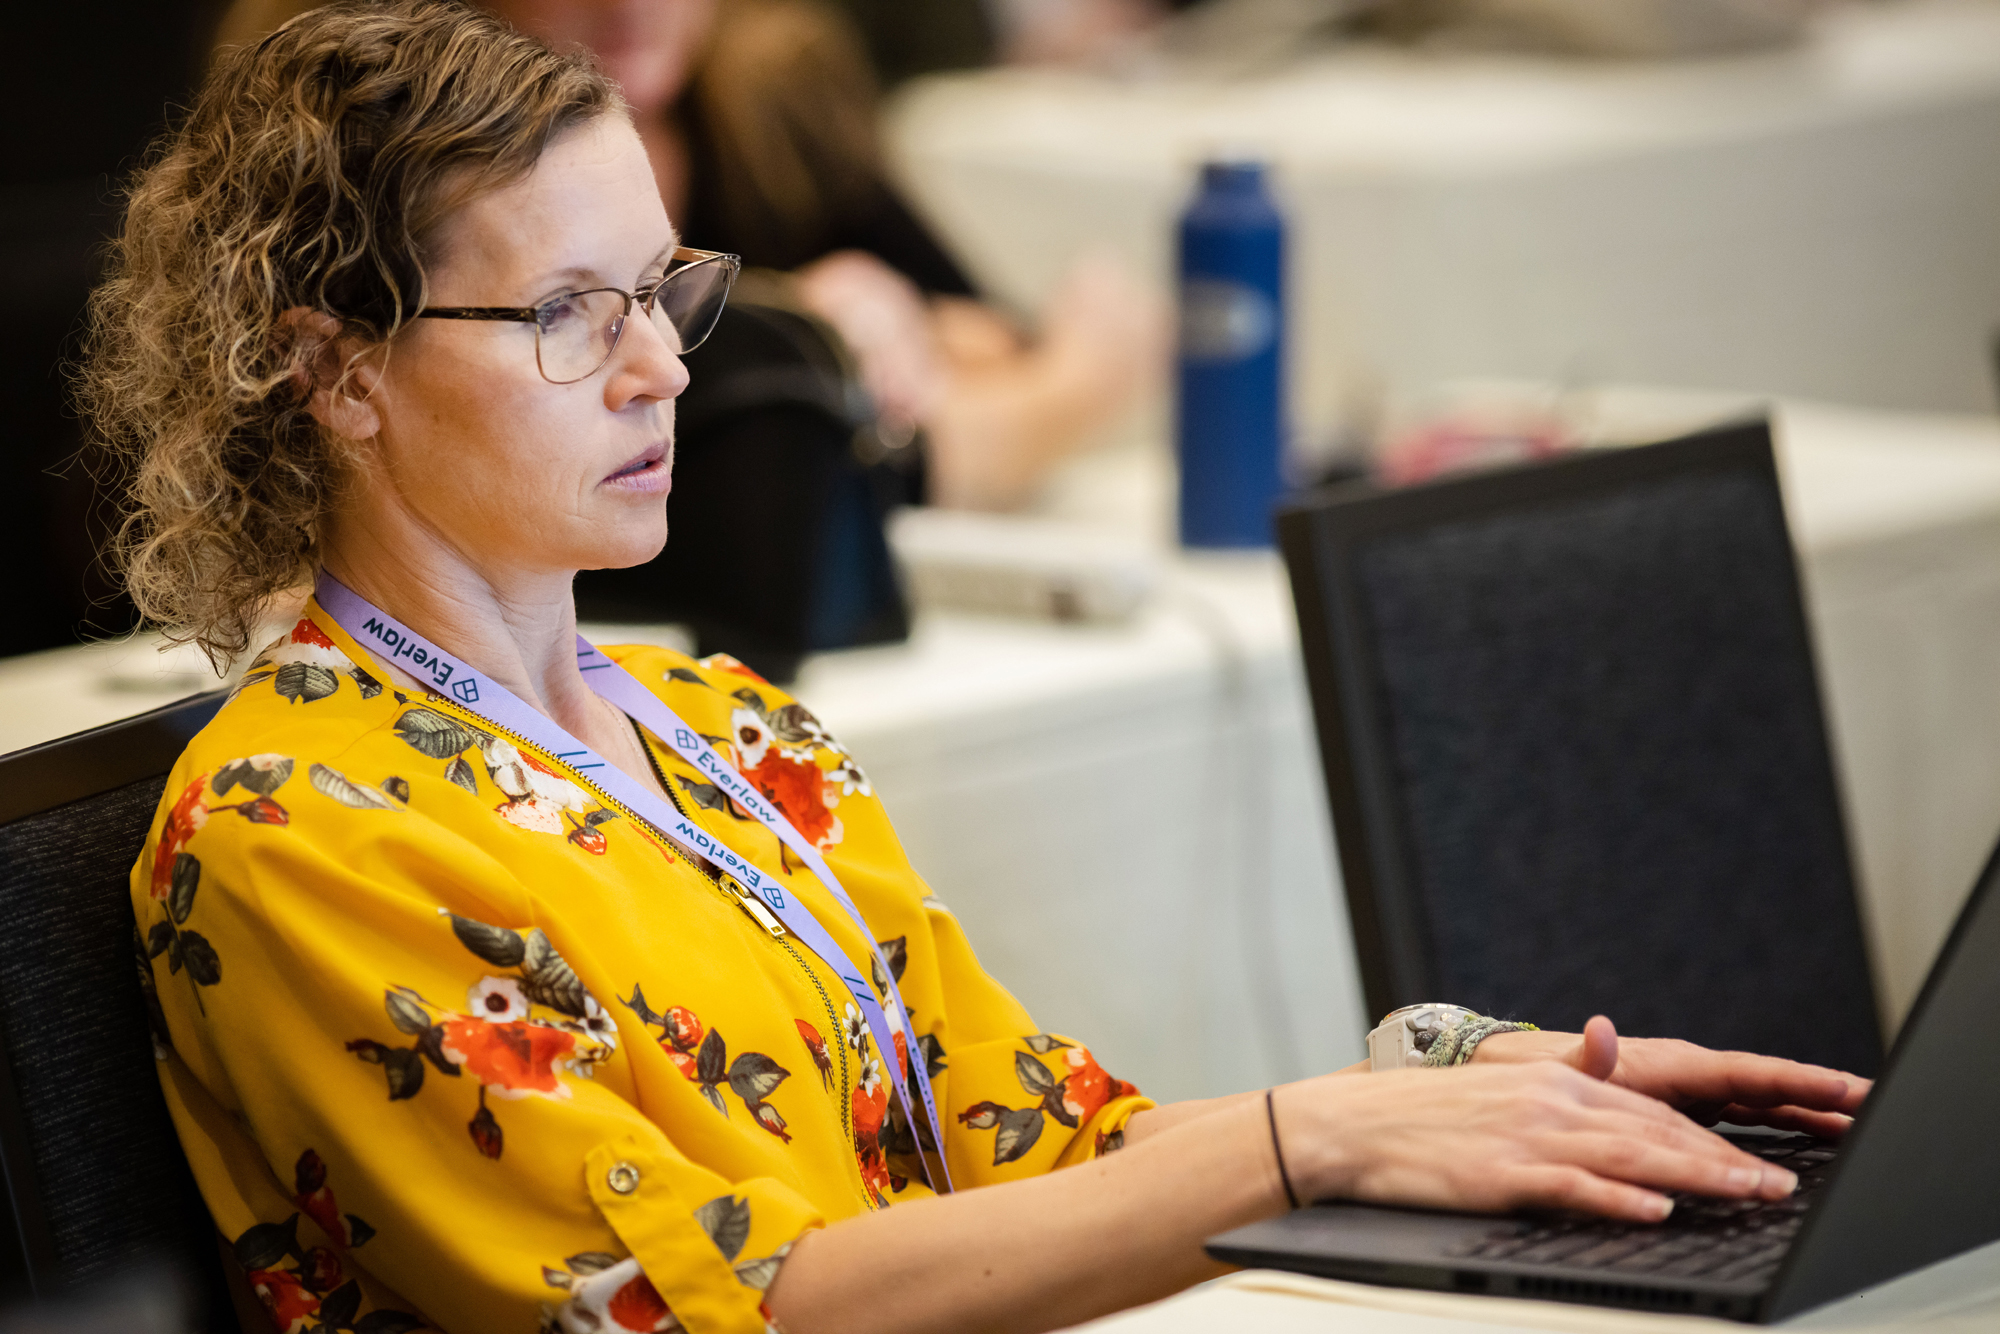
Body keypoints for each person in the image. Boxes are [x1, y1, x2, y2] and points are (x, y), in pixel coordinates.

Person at [86, 4, 1866, 1332]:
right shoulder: (293, 828)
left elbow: (1037, 1146)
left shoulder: (730, 729)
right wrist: (1309, 1142)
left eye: (665, 293)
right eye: (568, 313)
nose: (665, 371)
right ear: (332, 373)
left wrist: (1436, 1082)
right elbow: (737, 1308)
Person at [214, 0, 1167, 513]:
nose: (636, 6)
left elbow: (984, 334)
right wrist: (1080, 385)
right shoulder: (367, 147)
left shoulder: (766, 98)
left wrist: (894, 327)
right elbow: (781, 489)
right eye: (564, 307)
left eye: (662, 284)